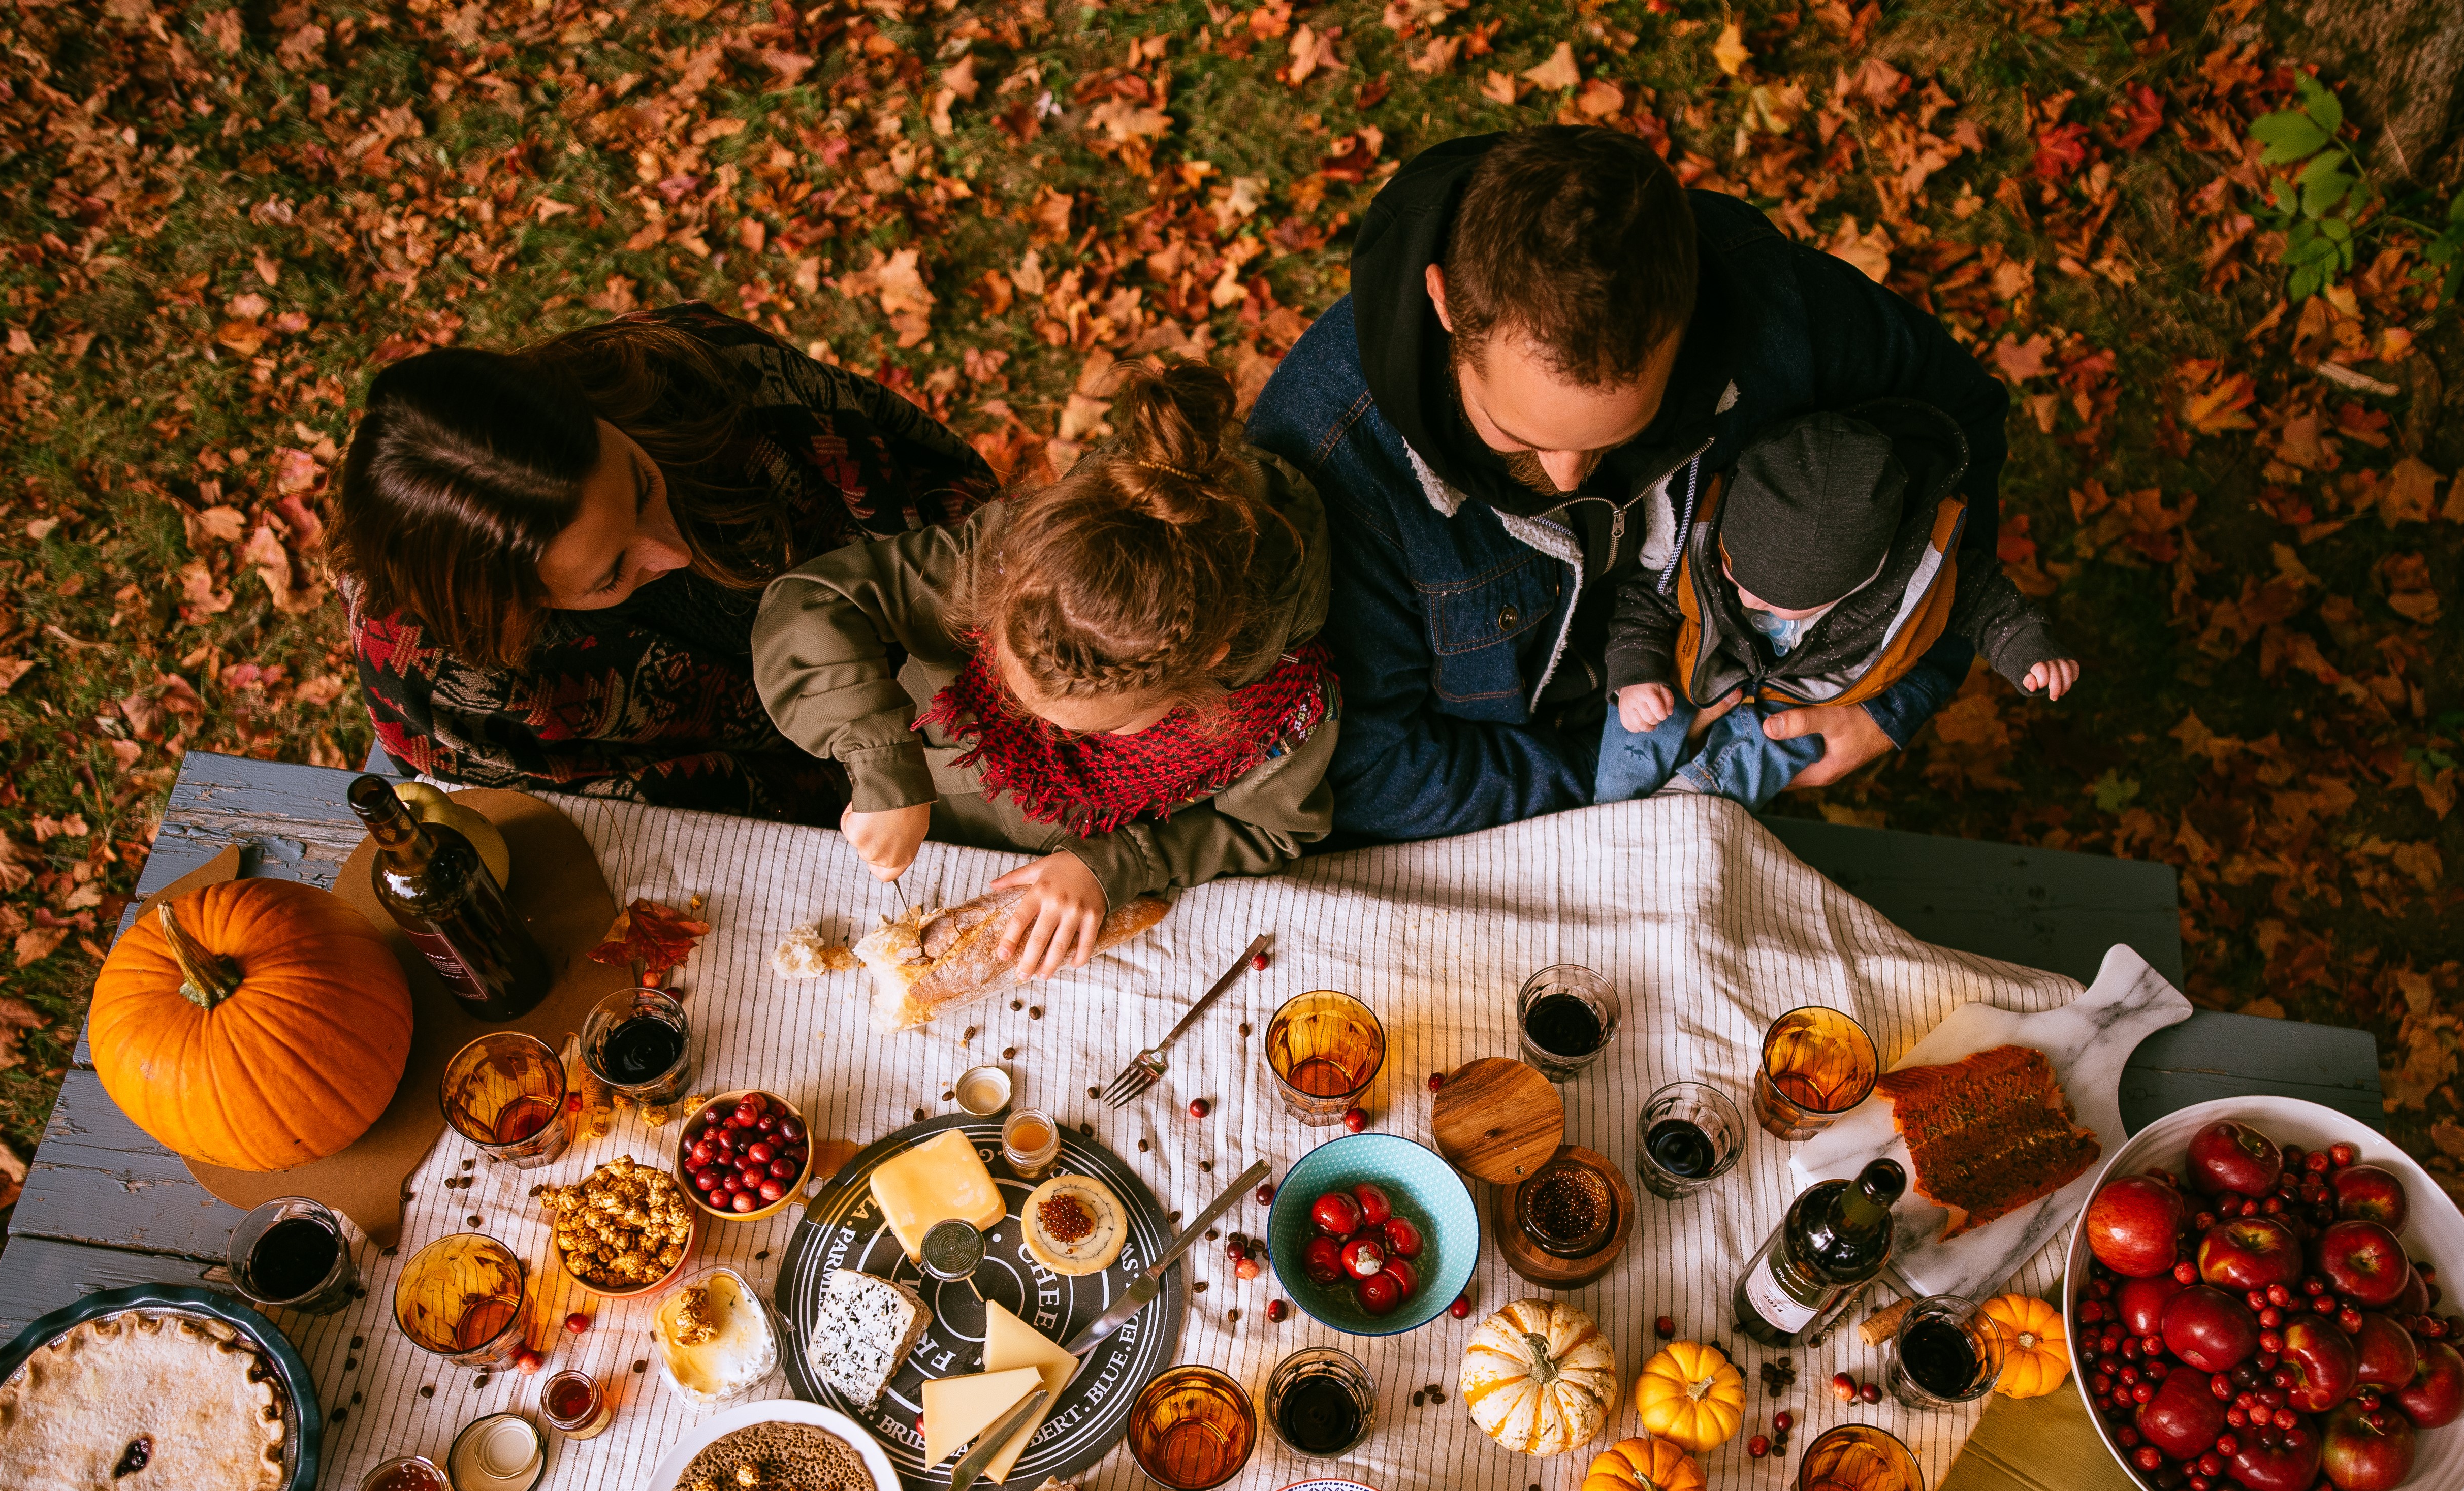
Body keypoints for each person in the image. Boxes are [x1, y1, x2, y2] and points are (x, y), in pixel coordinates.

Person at [1245, 125, 2013, 842]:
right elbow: (1370, 768)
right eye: (1520, 434)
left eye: (1622, 438)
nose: (1569, 479)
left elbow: (1959, 430)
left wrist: (1893, 702)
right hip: (1517, 803)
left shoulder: (1774, 305)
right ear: (1446, 302)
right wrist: (1634, 785)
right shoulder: (1327, 454)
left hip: (1739, 720)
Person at [751, 359, 1337, 978]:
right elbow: (811, 604)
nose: (1040, 729)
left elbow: (1267, 832)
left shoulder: (1279, 711)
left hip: (1079, 894)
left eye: (1098, 727)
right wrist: (880, 762)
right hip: (915, 827)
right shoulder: (1004, 559)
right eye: (1013, 689)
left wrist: (1117, 862)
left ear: (1207, 669)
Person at [333, 300, 993, 820]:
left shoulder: (710, 376)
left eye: (644, 487)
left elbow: (948, 512)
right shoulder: (444, 692)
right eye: (611, 574)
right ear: (512, 610)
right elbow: (590, 828)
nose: (672, 553)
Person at [1599, 404, 2078, 808]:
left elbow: (1983, 599)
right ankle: (1608, 809)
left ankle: (1691, 803)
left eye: (1768, 601)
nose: (1744, 598)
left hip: (1808, 695)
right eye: (1731, 570)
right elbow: (1650, 595)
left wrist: (2027, 648)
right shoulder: (1706, 529)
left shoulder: (1914, 572)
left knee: (1775, 747)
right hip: (1695, 668)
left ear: (1850, 586)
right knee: (1641, 724)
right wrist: (1636, 672)